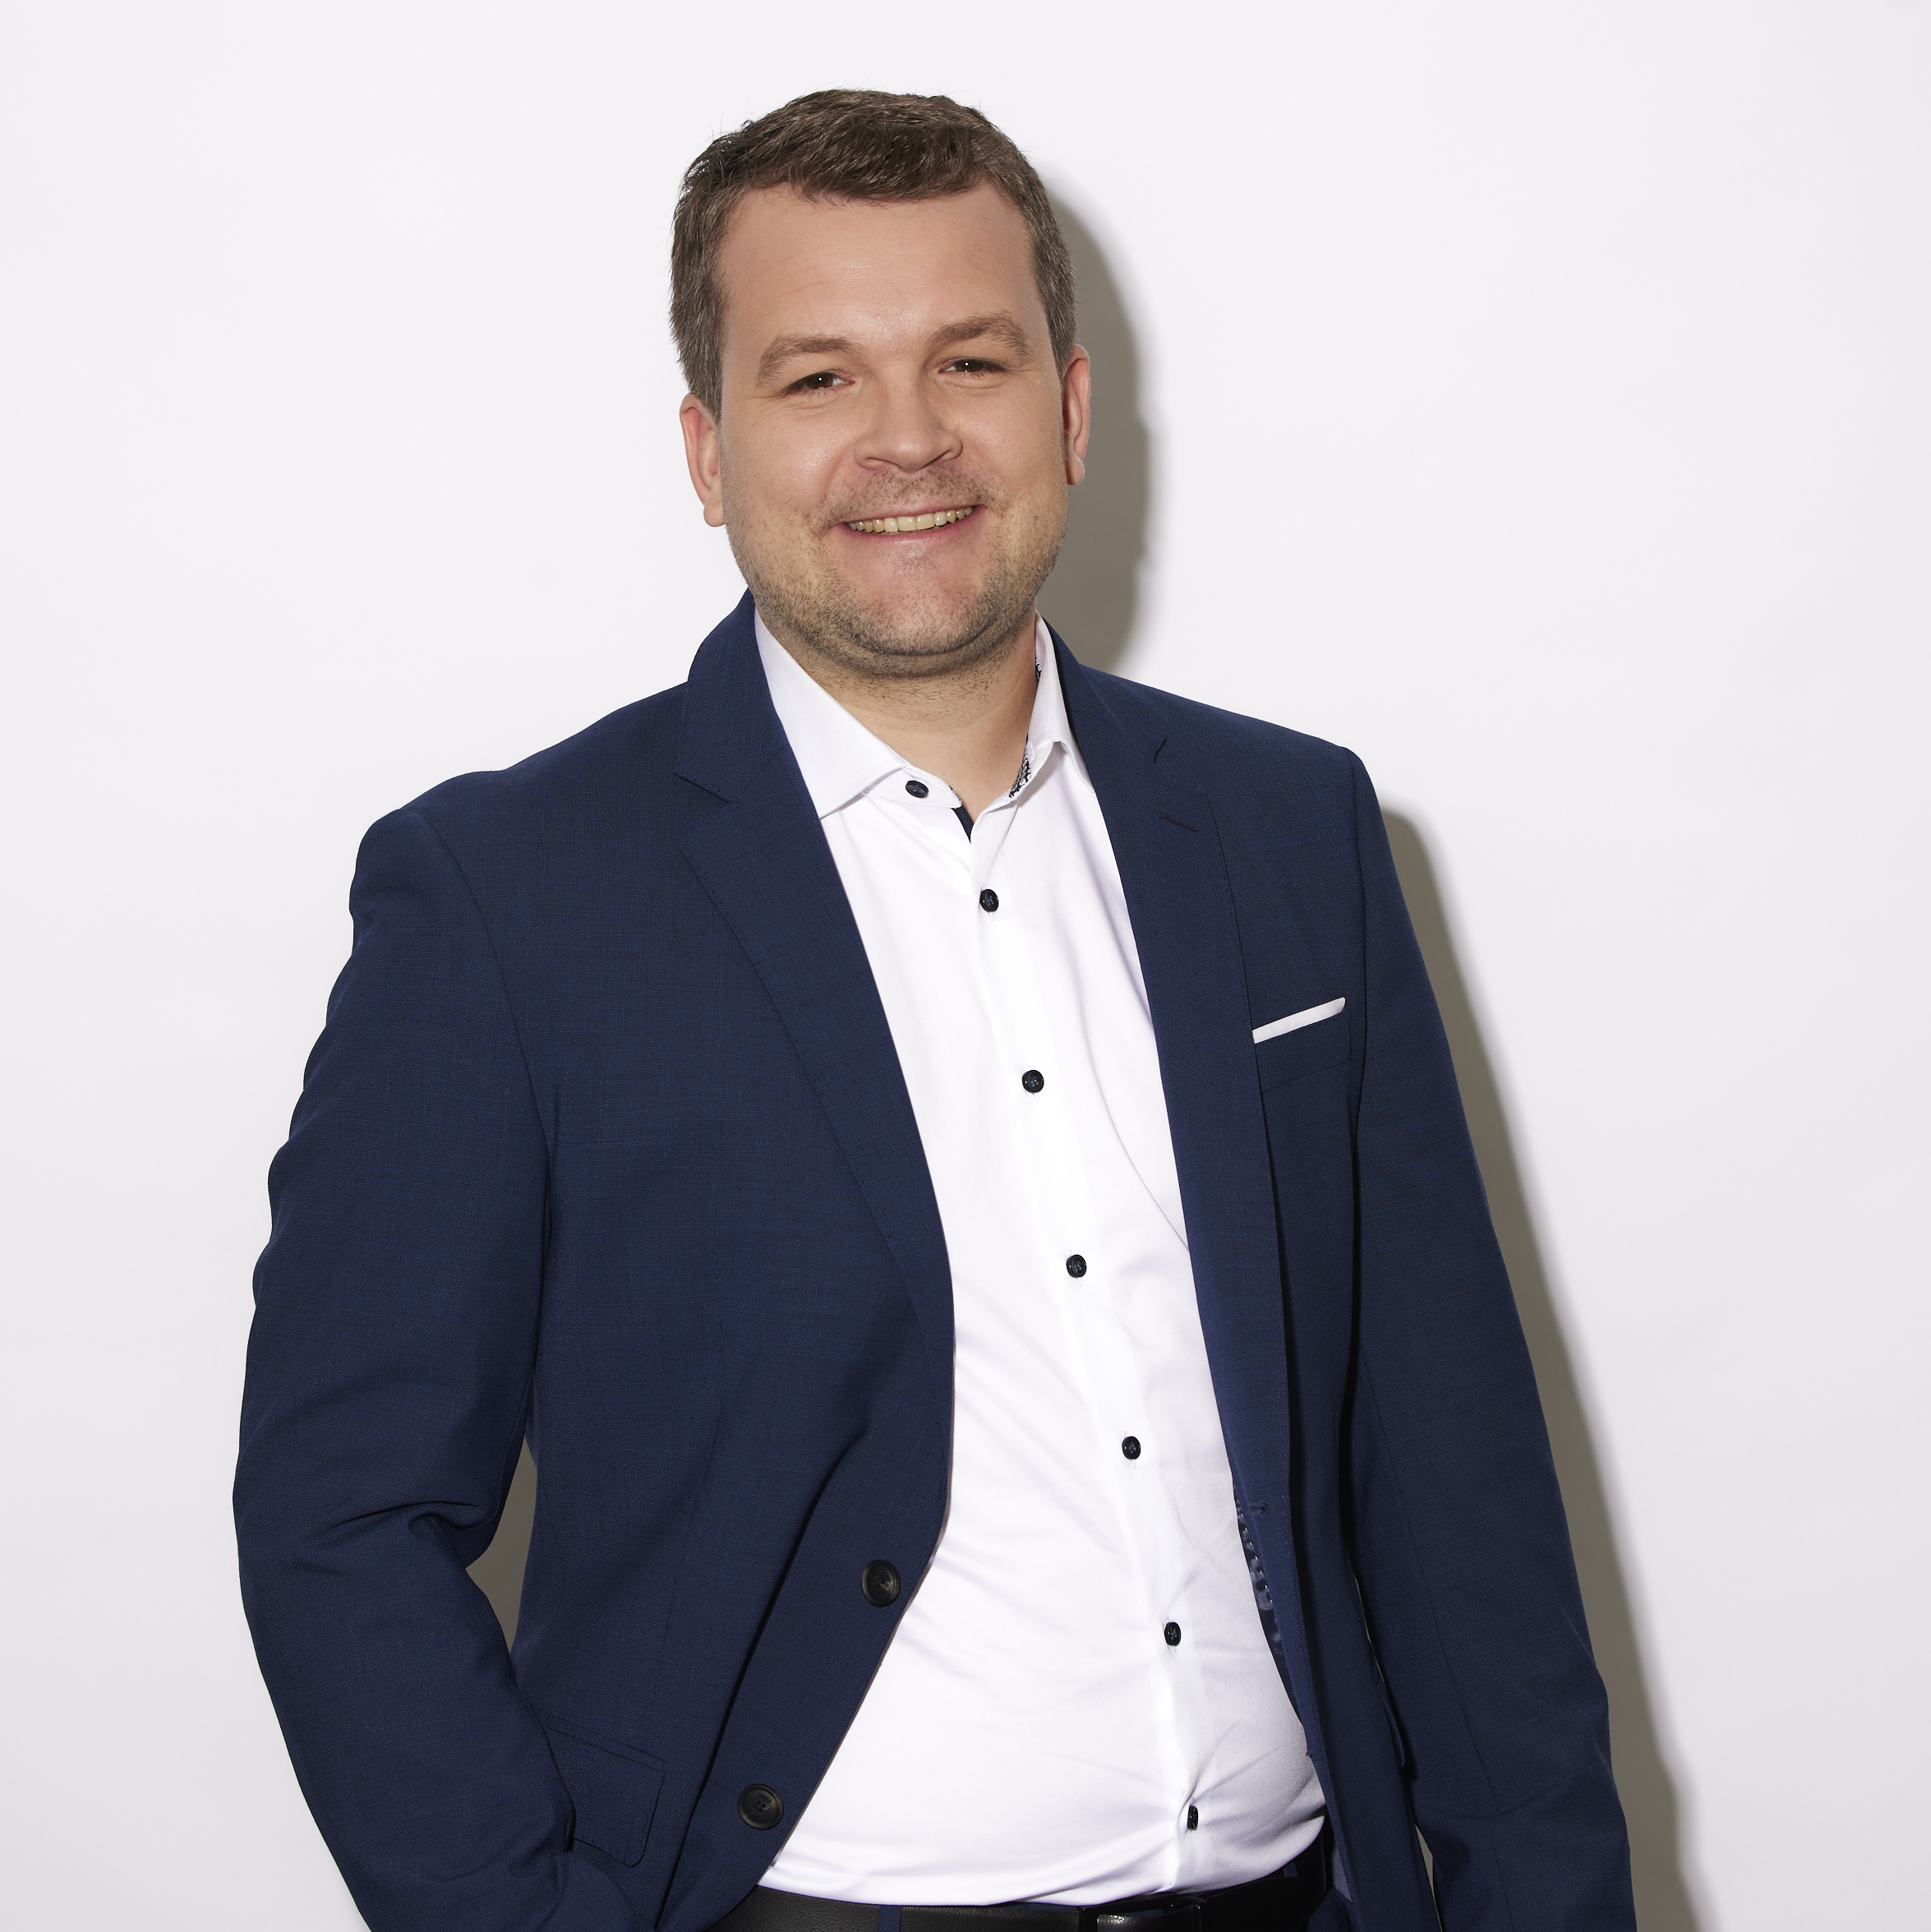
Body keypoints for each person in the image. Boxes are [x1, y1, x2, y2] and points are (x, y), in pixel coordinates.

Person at [235, 90, 1634, 1932]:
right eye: (817, 377)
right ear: (706, 448)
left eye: (967, 361)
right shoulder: (506, 900)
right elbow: (344, 1517)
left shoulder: (1292, 834)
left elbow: (1451, 1469)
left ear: (1067, 410)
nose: (907, 437)